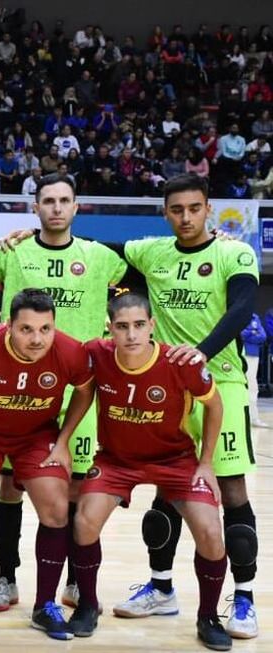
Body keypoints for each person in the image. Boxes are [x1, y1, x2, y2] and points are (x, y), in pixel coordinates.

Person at [118, 173, 260, 640]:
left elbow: (241, 308)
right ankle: (161, 589)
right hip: (168, 392)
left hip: (222, 383)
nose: (185, 217)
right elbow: (112, 275)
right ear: (166, 213)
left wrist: (202, 349)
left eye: (194, 209)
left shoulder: (233, 253)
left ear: (208, 210)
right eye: (176, 210)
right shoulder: (149, 252)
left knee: (232, 491)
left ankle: (243, 598)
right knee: (165, 491)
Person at [0, 173, 127, 611]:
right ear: (35, 207)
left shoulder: (101, 257)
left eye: (65, 200)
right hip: (17, 392)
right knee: (9, 489)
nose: (57, 208)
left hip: (79, 394)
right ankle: (6, 578)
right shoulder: (13, 249)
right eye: (48, 200)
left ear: (77, 207)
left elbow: (149, 276)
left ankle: (76, 582)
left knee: (76, 492)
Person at [70, 293, 231, 651]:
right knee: (84, 520)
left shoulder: (181, 362)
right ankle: (86, 605)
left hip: (176, 460)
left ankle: (208, 616)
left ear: (152, 326)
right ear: (109, 328)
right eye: (123, 327)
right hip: (116, 460)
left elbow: (215, 406)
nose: (131, 335)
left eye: (139, 325)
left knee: (210, 531)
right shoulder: (96, 353)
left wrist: (206, 463)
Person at [0, 289, 95, 640]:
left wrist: (63, 440)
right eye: (27, 329)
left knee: (57, 507)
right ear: (9, 325)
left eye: (45, 329)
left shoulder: (70, 351)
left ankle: (44, 606)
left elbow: (86, 390)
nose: (37, 339)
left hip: (35, 435)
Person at [241, 313, 269, 428]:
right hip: (242, 353)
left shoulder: (255, 317)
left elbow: (263, 336)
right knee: (242, 386)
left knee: (253, 386)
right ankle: (242, 417)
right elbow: (240, 334)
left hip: (254, 355)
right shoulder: (240, 314)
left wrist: (249, 332)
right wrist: (253, 331)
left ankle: (254, 418)